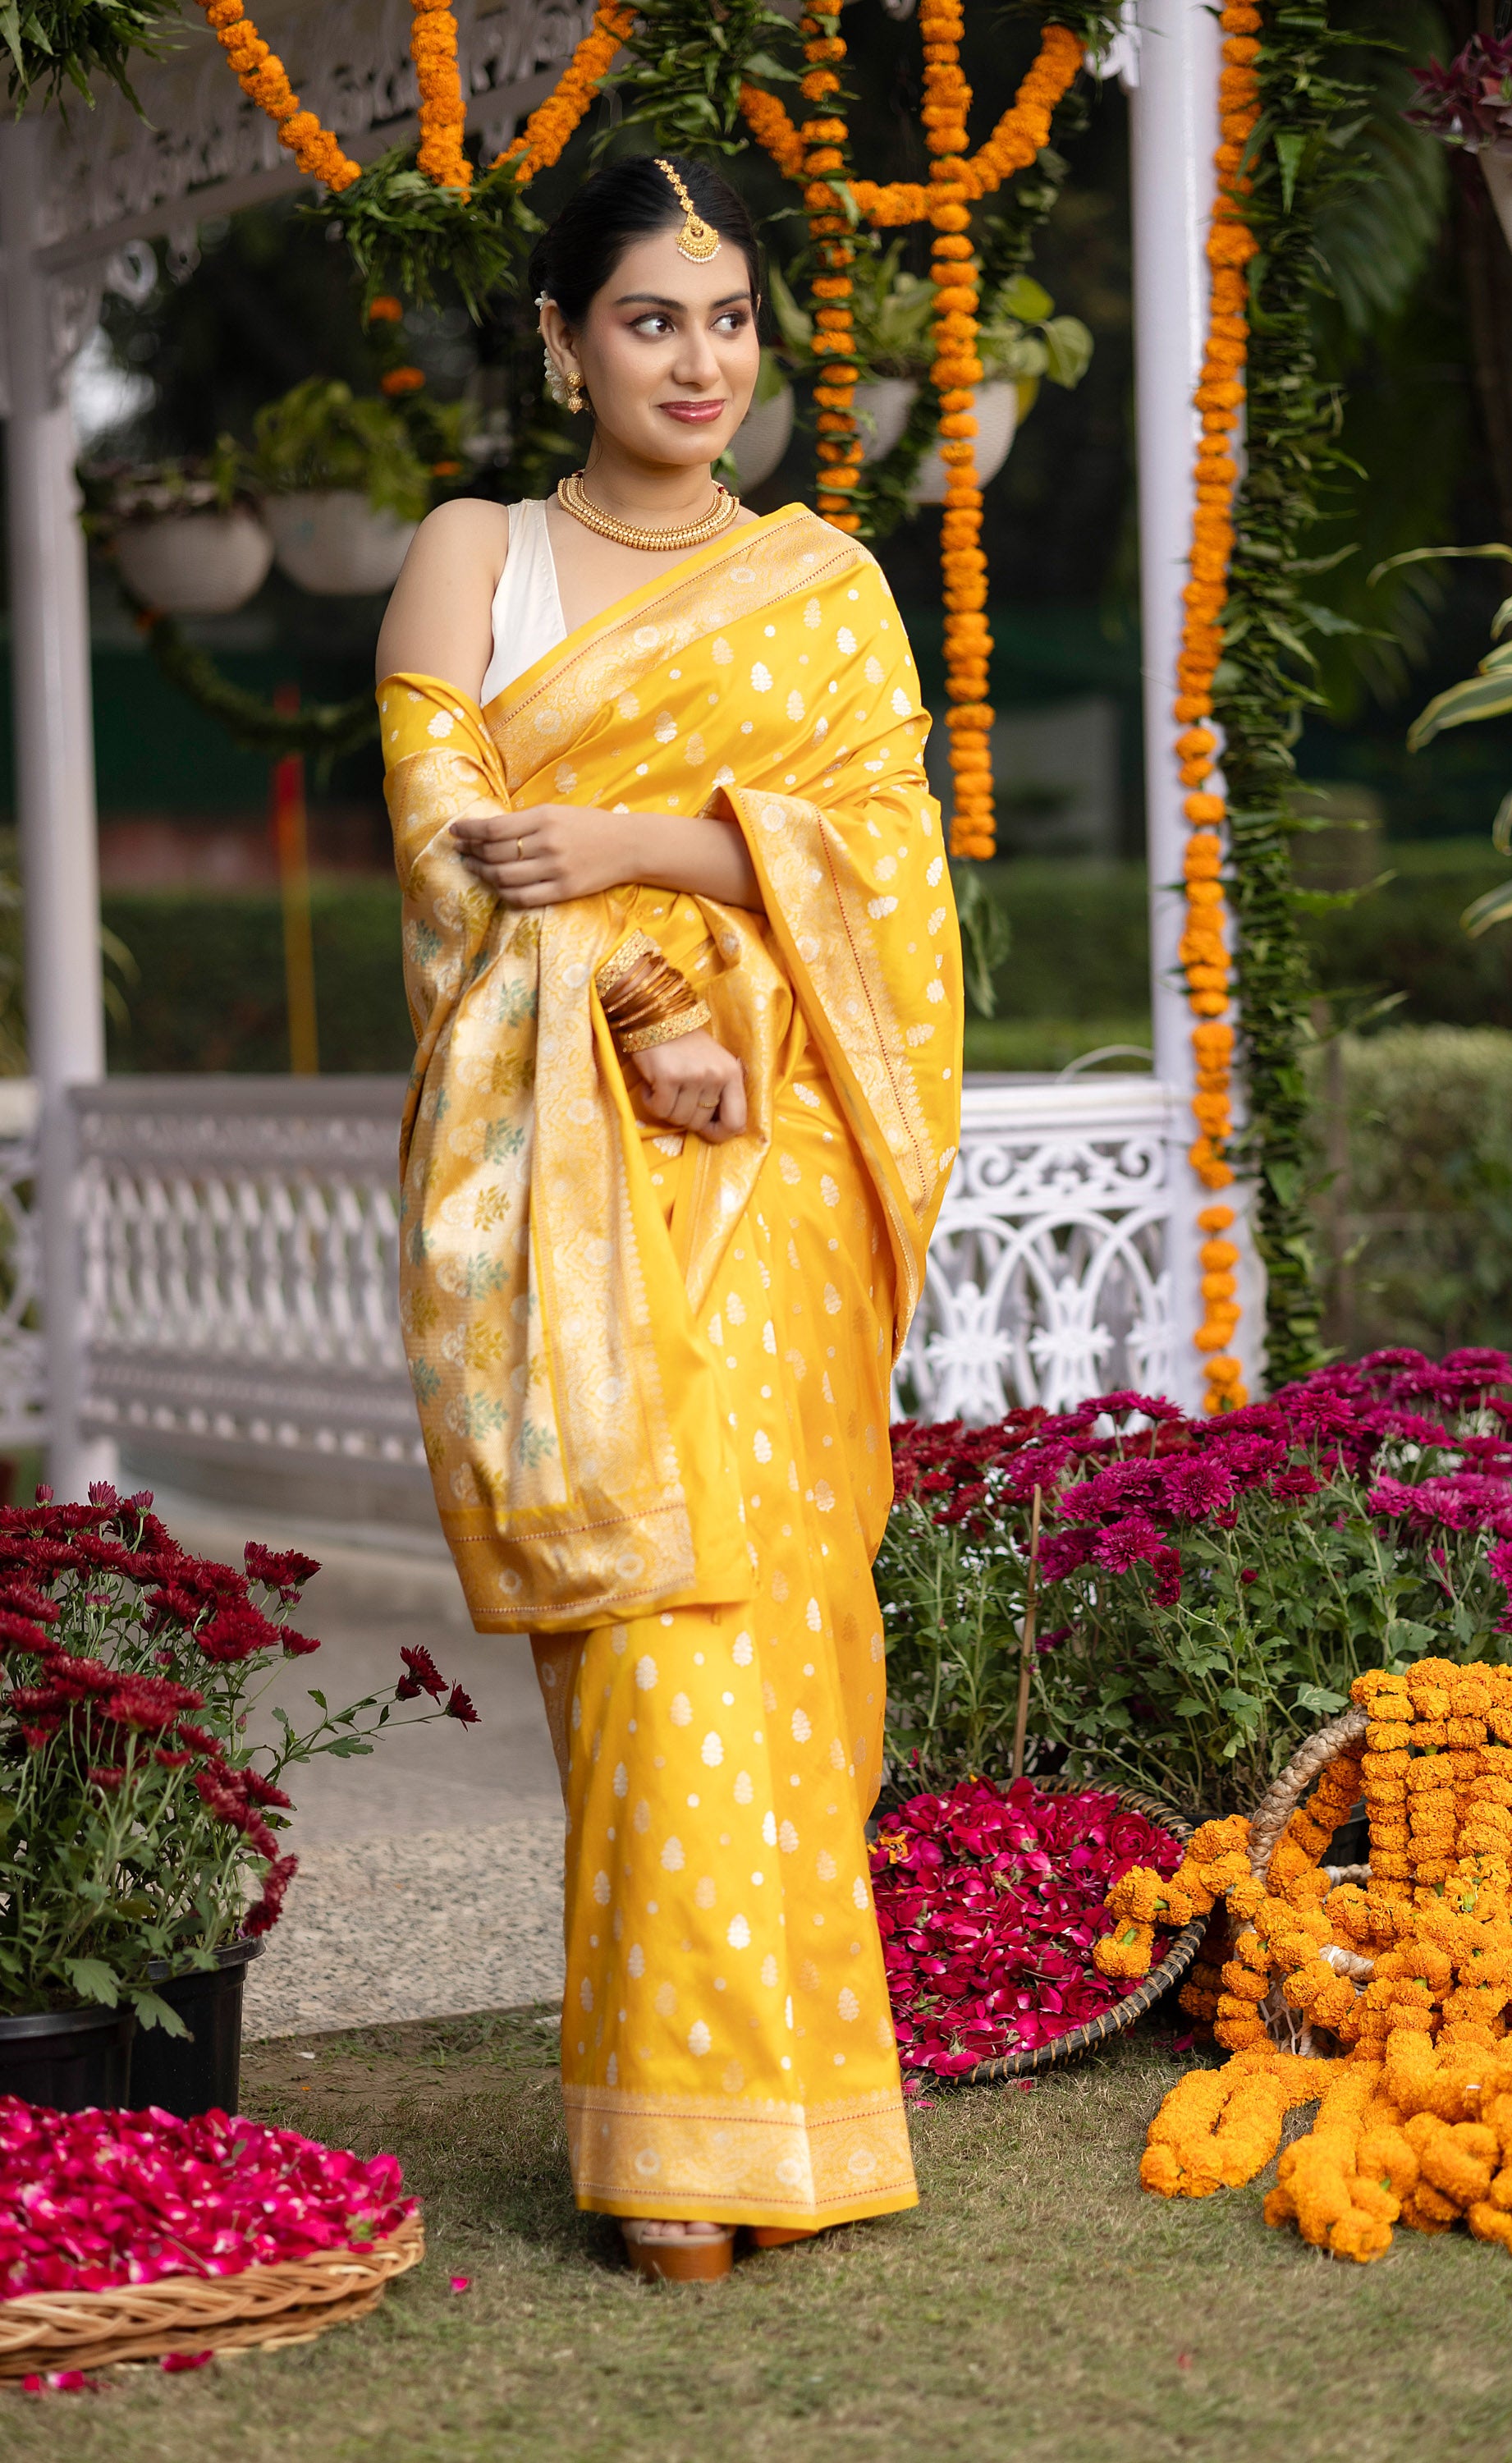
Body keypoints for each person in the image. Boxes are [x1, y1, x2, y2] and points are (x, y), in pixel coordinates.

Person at [376, 154, 963, 2282]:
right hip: (575, 1163)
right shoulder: (479, 559)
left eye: (727, 321)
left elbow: (889, 872)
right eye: (649, 320)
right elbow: (453, 853)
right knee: (647, 1626)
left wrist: (645, 836)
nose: (699, 360)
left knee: (782, 1624)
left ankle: (783, 2127)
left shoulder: (825, 585)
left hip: (781, 1161)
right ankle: (668, 2144)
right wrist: (636, 1010)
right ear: (561, 341)